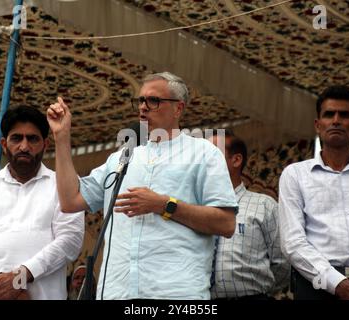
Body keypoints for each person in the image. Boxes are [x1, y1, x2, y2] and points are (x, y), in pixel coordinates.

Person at [47, 71, 238, 299]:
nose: (143, 107)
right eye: (140, 100)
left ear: (178, 108)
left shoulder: (203, 153)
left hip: (175, 294)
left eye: (153, 100)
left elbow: (226, 223)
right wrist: (61, 138)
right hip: (117, 292)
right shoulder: (121, 158)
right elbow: (71, 201)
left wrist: (164, 205)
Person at [0, 106, 84, 300]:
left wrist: (19, 278)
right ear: (4, 144)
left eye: (32, 139)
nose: (24, 147)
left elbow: (70, 241)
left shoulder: (63, 185)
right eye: (17, 138)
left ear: (45, 144)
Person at [278, 85, 349, 300]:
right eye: (329, 114)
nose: (336, 120)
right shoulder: (295, 174)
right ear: (317, 124)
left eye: (345, 115)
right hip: (317, 288)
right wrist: (339, 284)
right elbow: (293, 242)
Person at [208, 130, 290, 300]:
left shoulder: (264, 205)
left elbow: (283, 262)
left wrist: (259, 290)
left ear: (236, 160)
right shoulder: (191, 208)